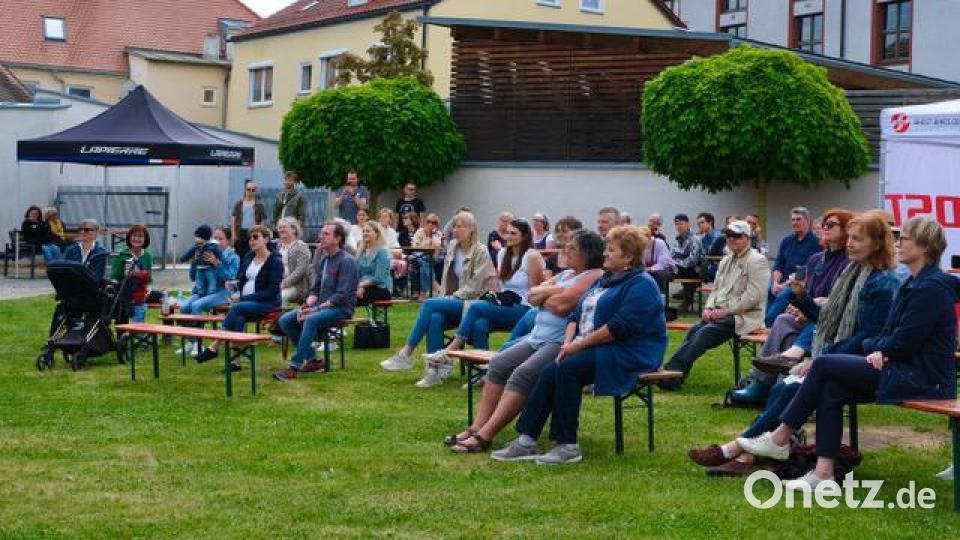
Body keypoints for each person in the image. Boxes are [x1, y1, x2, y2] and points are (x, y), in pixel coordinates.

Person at [734, 215, 956, 490]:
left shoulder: (930, 289)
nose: (898, 243)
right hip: (902, 367)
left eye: (905, 239)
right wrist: (878, 349)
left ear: (924, 247)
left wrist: (879, 350)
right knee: (831, 387)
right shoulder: (913, 283)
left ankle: (780, 438)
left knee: (824, 365)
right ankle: (823, 473)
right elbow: (890, 336)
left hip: (924, 377)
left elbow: (905, 342)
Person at [688, 210, 900, 477]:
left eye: (857, 239)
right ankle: (747, 452)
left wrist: (822, 359)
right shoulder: (855, 273)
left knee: (791, 387)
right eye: (850, 238)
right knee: (783, 387)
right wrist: (801, 297)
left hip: (857, 362)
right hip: (836, 358)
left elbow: (866, 338)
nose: (850, 243)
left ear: (877, 243)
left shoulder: (880, 282)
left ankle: (737, 450)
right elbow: (826, 321)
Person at [491, 226, 668, 464]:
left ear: (628, 257)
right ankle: (527, 440)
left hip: (629, 352)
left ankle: (567, 445)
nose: (605, 253)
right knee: (551, 369)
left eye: (612, 250)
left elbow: (618, 328)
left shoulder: (642, 285)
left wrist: (578, 346)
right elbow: (576, 314)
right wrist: (568, 343)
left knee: (568, 369)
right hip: (596, 346)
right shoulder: (607, 279)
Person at [446, 230, 605, 452]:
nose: (565, 250)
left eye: (572, 248)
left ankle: (486, 435)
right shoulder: (566, 275)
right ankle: (476, 427)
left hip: (559, 341)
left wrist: (545, 295)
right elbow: (531, 295)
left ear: (588, 254)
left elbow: (563, 307)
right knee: (499, 363)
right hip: (537, 336)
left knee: (523, 374)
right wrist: (555, 290)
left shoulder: (594, 275)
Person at [732, 209, 853, 405]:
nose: (824, 228)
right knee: (783, 320)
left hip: (831, 321)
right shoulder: (815, 259)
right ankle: (762, 384)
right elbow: (807, 290)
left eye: (831, 225)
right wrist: (800, 308)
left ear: (846, 229)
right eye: (824, 225)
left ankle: (777, 384)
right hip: (809, 315)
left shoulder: (848, 262)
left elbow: (838, 302)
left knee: (799, 318)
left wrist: (809, 307)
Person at [416, 219, 546, 388]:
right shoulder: (502, 254)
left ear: (525, 236)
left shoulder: (532, 256)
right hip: (505, 303)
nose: (508, 236)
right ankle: (485, 373)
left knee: (476, 306)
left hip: (525, 308)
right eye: (507, 232)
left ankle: (450, 352)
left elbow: (535, 294)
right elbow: (499, 285)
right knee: (479, 323)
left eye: (514, 233)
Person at [379, 211, 496, 373]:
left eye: (460, 226)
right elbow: (447, 279)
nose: (455, 230)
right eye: (454, 226)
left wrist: (451, 297)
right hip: (456, 302)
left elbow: (475, 287)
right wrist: (446, 298)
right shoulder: (453, 246)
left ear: (471, 229)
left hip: (474, 303)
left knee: (429, 303)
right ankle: (435, 371)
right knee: (435, 318)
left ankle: (406, 352)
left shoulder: (481, 251)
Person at [659, 220, 769, 390]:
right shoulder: (726, 260)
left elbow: (753, 298)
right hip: (721, 313)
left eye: (737, 236)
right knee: (694, 330)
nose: (731, 239)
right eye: (729, 236)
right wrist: (708, 308)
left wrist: (725, 311)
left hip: (745, 316)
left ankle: (670, 373)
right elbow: (716, 288)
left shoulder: (757, 260)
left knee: (704, 333)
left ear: (747, 238)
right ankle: (674, 375)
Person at [274, 222, 359, 380]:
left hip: (341, 308)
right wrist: (307, 305)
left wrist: (315, 310)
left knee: (311, 319)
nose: (321, 237)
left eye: (326, 234)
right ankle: (313, 360)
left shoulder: (347, 261)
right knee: (285, 320)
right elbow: (315, 289)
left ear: (338, 238)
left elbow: (342, 294)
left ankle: (294, 367)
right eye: (321, 233)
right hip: (322, 306)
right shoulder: (324, 260)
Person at [195, 225, 283, 369]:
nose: (252, 241)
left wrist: (242, 299)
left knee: (237, 308)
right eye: (250, 238)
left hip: (267, 303)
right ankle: (235, 362)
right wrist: (233, 286)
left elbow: (271, 292)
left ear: (266, 239)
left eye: (256, 237)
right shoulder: (249, 256)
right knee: (239, 316)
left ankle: (214, 345)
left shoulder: (275, 261)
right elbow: (241, 280)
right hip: (245, 302)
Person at [178, 227, 239, 357]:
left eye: (220, 239)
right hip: (202, 291)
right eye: (214, 238)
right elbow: (193, 278)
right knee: (184, 307)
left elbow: (230, 277)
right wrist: (195, 262)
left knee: (196, 305)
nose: (216, 241)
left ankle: (198, 344)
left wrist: (216, 263)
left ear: (228, 241)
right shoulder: (203, 250)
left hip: (221, 292)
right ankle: (190, 342)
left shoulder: (232, 257)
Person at [770, 207, 821, 301]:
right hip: (781, 283)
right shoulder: (786, 241)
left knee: (783, 295)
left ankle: (770, 316)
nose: (795, 222)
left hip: (799, 285)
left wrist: (785, 285)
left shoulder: (817, 244)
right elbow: (778, 265)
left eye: (798, 219)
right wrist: (775, 283)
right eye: (793, 220)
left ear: (807, 221)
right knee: (768, 289)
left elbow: (808, 271)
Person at [110, 224, 153, 323]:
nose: (136, 239)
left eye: (140, 236)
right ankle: (122, 333)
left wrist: (149, 288)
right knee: (125, 300)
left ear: (145, 239)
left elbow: (149, 278)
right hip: (124, 290)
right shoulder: (122, 254)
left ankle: (167, 334)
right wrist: (127, 271)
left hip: (142, 290)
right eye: (134, 236)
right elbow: (115, 277)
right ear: (129, 237)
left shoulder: (147, 256)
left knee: (163, 297)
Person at [670, 213, 703, 311]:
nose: (678, 226)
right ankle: (685, 298)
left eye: (681, 224)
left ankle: (686, 299)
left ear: (688, 224)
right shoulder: (677, 239)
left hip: (695, 270)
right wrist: (674, 263)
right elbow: (671, 256)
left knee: (668, 272)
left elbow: (692, 261)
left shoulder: (695, 239)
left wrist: (676, 264)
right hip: (681, 269)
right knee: (663, 271)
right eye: (676, 224)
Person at [178, 225, 223, 297]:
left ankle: (211, 292)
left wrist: (219, 260)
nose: (195, 238)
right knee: (199, 281)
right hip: (199, 268)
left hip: (209, 268)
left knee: (211, 280)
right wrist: (183, 259)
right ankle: (200, 292)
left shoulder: (213, 246)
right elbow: (189, 253)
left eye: (197, 237)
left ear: (204, 238)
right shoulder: (196, 247)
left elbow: (219, 254)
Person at [276, 217, 312, 305]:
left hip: (296, 286)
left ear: (294, 230)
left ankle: (279, 317)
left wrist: (284, 283)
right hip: (277, 283)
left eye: (284, 227)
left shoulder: (301, 246)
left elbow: (300, 270)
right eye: (279, 228)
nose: (281, 229)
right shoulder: (278, 246)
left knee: (281, 296)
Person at [356, 221, 393, 305]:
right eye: (363, 231)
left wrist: (360, 286)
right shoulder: (361, 252)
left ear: (376, 234)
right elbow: (357, 274)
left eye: (368, 231)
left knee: (349, 298)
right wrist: (358, 287)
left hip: (381, 289)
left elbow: (378, 278)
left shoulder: (382, 252)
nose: (365, 233)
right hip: (363, 287)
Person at [410, 213, 443, 300]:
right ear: (425, 223)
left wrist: (436, 239)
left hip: (434, 257)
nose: (430, 224)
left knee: (426, 261)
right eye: (428, 222)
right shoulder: (419, 232)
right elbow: (414, 247)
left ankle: (423, 293)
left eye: (434, 223)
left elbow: (438, 250)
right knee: (424, 262)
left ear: (437, 225)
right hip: (419, 256)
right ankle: (433, 286)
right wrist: (427, 240)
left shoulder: (438, 234)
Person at [231, 179, 267, 259]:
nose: (250, 191)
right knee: (239, 254)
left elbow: (263, 219)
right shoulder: (239, 203)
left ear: (255, 191)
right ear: (245, 190)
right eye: (248, 189)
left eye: (253, 190)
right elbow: (233, 218)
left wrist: (260, 232)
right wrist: (233, 234)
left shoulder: (259, 205)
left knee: (252, 253)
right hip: (241, 232)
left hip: (253, 232)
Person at [638, 226, 676, 297]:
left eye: (642, 241)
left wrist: (650, 269)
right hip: (650, 270)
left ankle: (661, 298)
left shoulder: (660, 243)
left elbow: (663, 264)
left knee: (658, 274)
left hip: (667, 270)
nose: (641, 244)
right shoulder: (641, 246)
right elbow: (640, 263)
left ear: (649, 238)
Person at [696, 212, 725, 282]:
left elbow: (711, 252)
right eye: (698, 224)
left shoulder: (718, 236)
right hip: (709, 264)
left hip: (720, 265)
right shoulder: (703, 239)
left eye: (702, 222)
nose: (700, 225)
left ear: (710, 222)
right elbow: (701, 253)